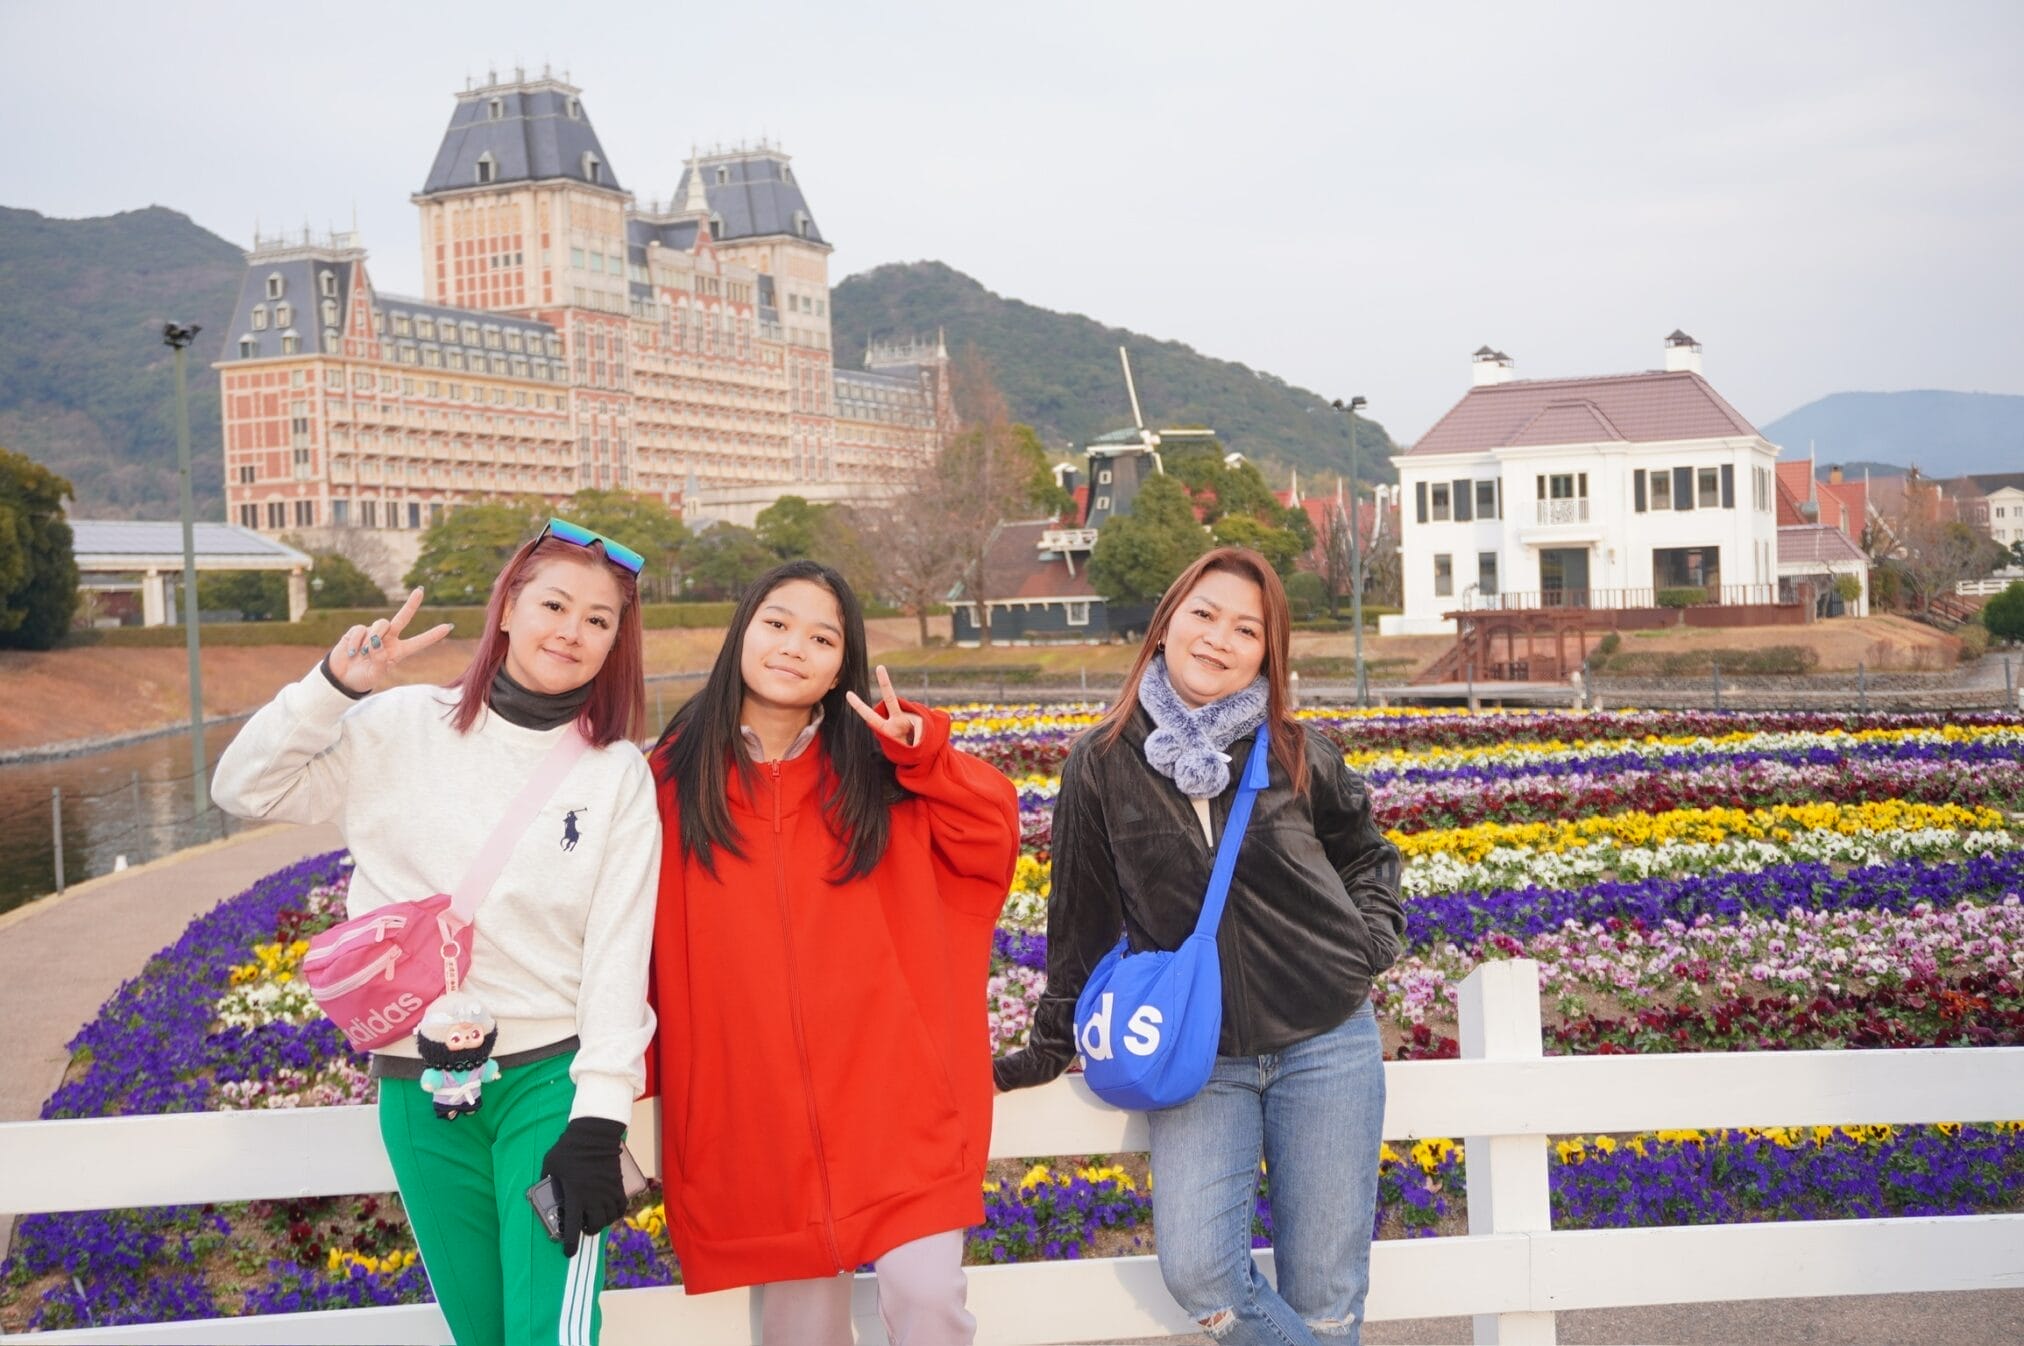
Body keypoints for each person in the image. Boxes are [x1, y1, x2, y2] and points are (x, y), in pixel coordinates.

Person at [213, 519, 660, 1346]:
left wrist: (600, 1117)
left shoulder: (615, 774)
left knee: (548, 1333)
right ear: (508, 609)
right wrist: (331, 689)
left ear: (614, 644)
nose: (571, 630)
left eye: (599, 620)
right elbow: (244, 788)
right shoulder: (399, 724)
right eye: (554, 604)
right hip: (421, 1089)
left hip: (547, 1085)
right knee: (480, 1330)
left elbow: (617, 958)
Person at [993, 547, 1404, 1346]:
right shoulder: (1101, 763)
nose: (1220, 638)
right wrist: (1044, 1049)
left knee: (1326, 1291)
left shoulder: (1293, 748)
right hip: (1194, 1052)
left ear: (1266, 653)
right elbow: (1077, 921)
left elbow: (1366, 854)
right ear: (1166, 624)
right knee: (1199, 1270)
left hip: (1325, 1036)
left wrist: (1366, 946)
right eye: (1205, 615)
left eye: (1246, 629)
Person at [648, 560, 1019, 1345]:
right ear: (741, 632)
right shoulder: (668, 784)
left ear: (841, 665)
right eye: (777, 624)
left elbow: (989, 840)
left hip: (896, 1105)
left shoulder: (885, 773)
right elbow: (627, 952)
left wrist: (925, 756)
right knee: (799, 1332)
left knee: (928, 1306)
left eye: (823, 637)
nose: (795, 647)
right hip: (762, 1118)